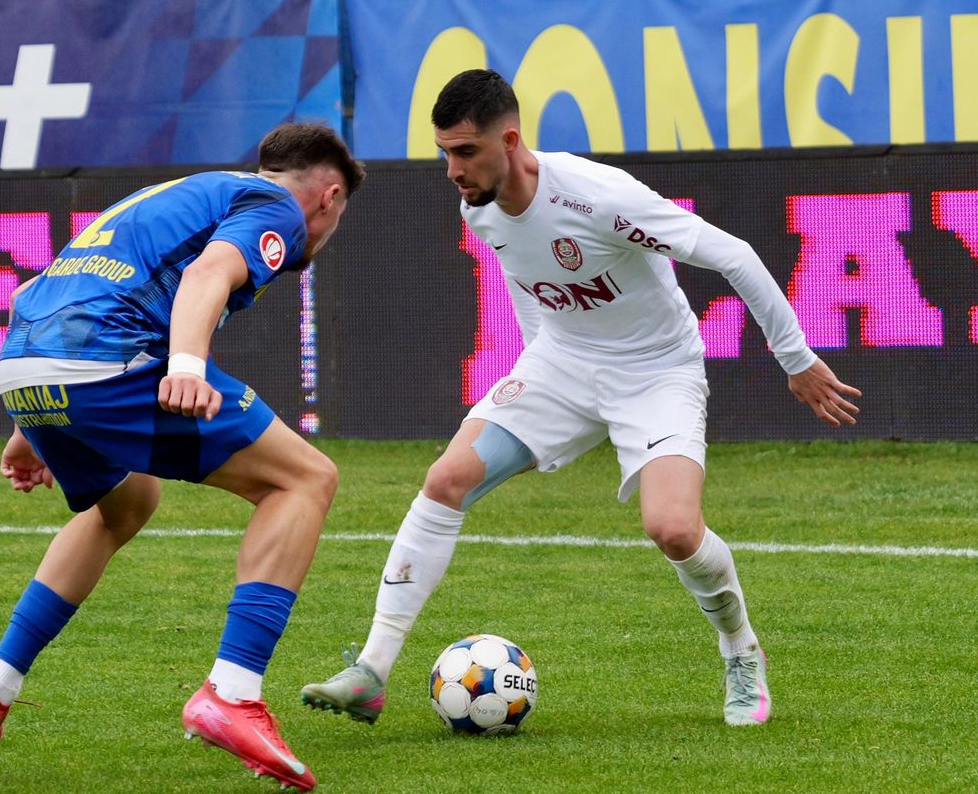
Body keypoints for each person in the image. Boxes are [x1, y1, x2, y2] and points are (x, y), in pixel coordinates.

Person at [300, 69, 860, 728]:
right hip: (560, 365)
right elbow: (525, 283)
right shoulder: (478, 207)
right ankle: (371, 672)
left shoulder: (598, 196)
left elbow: (733, 255)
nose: (453, 170)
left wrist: (796, 360)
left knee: (674, 529)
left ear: (510, 141)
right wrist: (534, 379)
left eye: (466, 151)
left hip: (657, 371)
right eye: (445, 152)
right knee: (446, 479)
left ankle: (740, 650)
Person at [0, 122, 365, 793]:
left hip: (25, 363)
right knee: (305, 479)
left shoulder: (179, 194)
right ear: (330, 196)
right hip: (104, 358)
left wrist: (29, 423)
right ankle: (233, 692)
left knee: (126, 503)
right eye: (335, 218)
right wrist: (187, 366)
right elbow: (208, 273)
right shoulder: (278, 208)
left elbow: (33, 296)